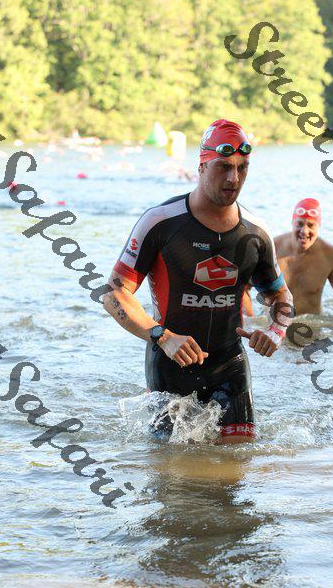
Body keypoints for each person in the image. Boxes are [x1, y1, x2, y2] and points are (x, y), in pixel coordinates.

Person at [103, 119, 293, 443]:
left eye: (242, 168)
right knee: (171, 471)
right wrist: (162, 336)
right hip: (169, 363)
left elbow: (281, 296)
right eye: (224, 167)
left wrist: (276, 331)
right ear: (202, 166)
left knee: (238, 466)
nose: (234, 179)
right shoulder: (160, 222)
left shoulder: (256, 234)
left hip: (230, 365)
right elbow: (113, 293)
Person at [274, 198, 333, 316]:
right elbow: (247, 287)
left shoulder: (329, 255)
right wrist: (251, 320)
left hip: (313, 325)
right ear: (292, 223)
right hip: (274, 324)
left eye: (311, 225)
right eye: (299, 224)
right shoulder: (272, 249)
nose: (304, 231)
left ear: (318, 226)